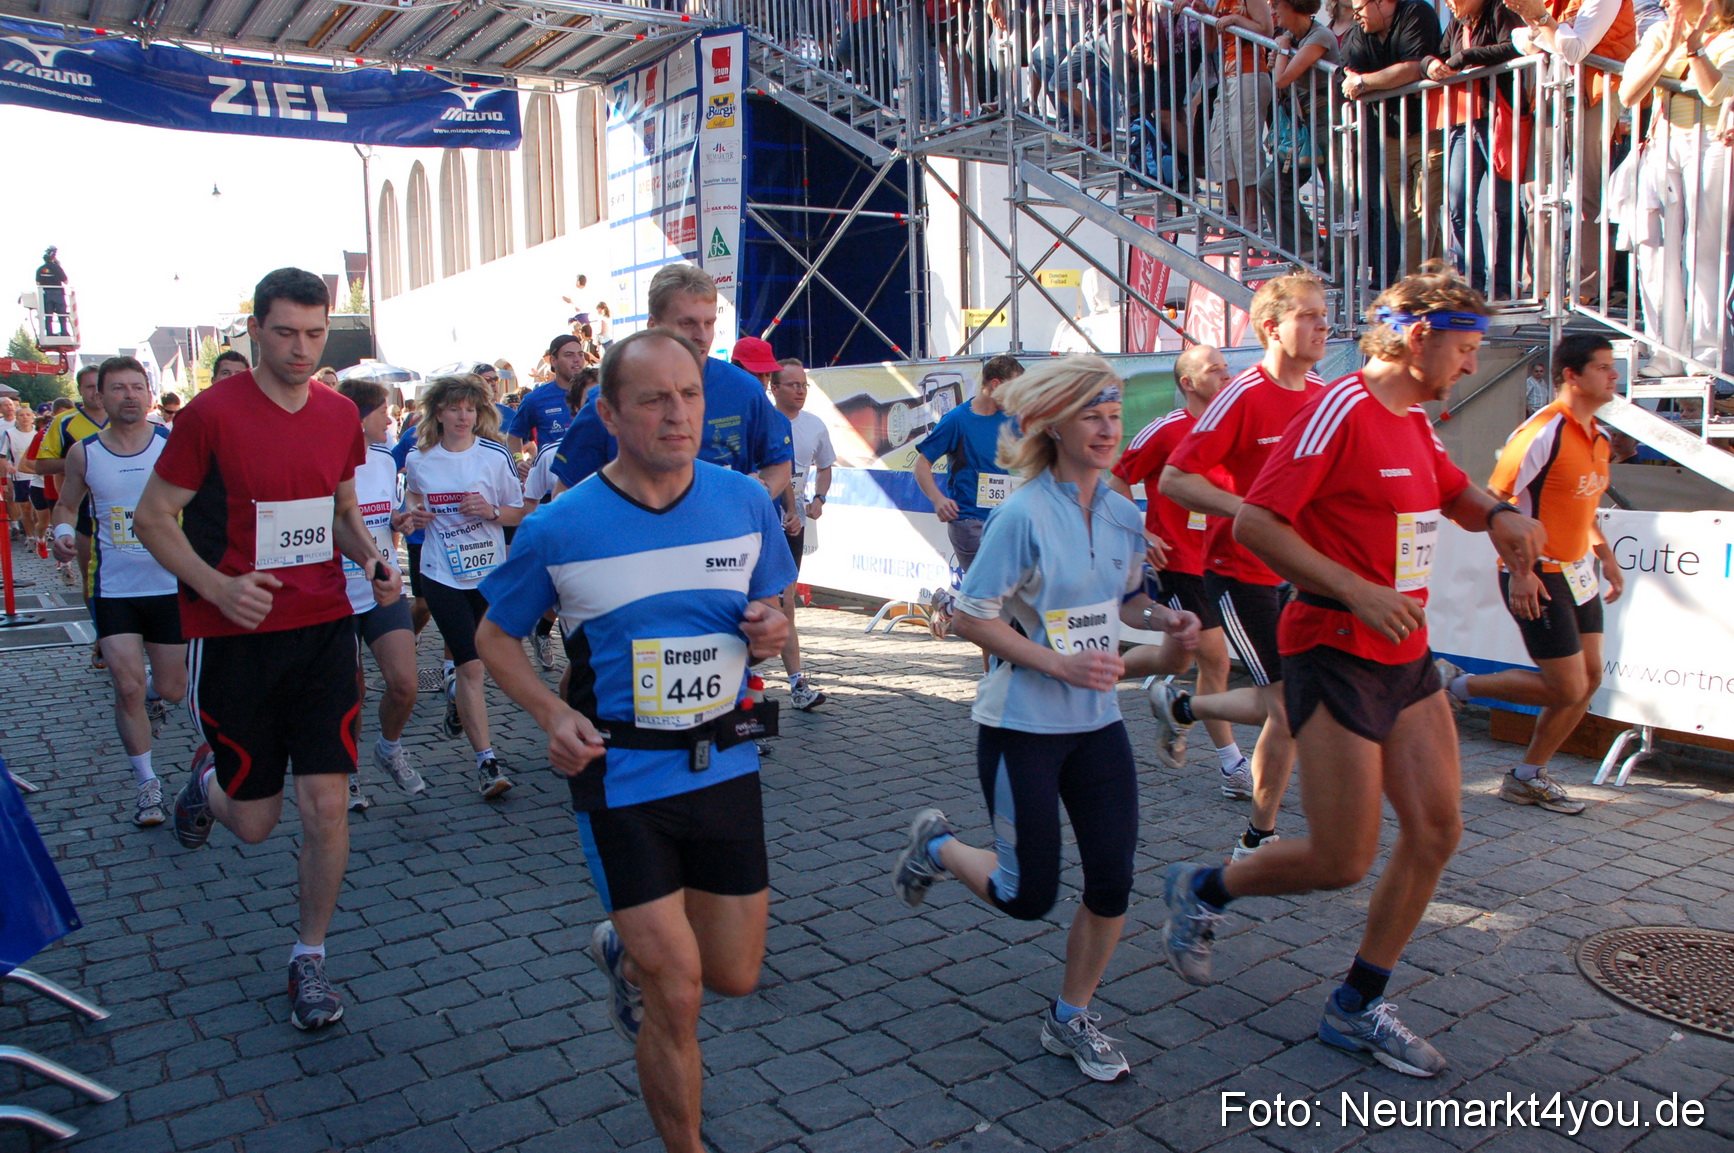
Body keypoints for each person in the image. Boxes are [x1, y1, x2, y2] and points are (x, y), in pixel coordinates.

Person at [1160, 265, 1546, 1079]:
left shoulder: (1416, 420)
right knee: (1341, 858)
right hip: (1332, 646)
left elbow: (1453, 492)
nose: (1474, 366)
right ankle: (1203, 885)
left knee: (1438, 829)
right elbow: (1261, 524)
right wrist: (1356, 589)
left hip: (1403, 653)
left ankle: (1358, 1003)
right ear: (1417, 336)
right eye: (1468, 348)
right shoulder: (1341, 407)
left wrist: (1504, 516)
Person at [474, 328, 793, 1153]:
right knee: (679, 989)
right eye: (653, 399)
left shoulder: (745, 502)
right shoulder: (559, 526)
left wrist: (770, 627)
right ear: (608, 413)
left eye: (688, 395)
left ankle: (621, 948)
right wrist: (552, 714)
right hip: (620, 777)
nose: (677, 414)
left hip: (726, 762)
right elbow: (495, 638)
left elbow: (777, 605)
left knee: (734, 975)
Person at [891, 355, 1201, 1084]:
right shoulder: (1022, 514)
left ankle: (1069, 1016)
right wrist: (1055, 662)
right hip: (1019, 726)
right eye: (1090, 412)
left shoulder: (1124, 513)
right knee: (1026, 895)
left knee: (1113, 880)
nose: (1105, 426)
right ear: (1055, 422)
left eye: (1113, 411)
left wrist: (1168, 620)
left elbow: (1126, 603)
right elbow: (971, 616)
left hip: (1096, 726)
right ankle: (936, 846)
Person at [134, 267, 404, 1032]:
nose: (300, 348)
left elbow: (343, 510)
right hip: (234, 639)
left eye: (315, 334)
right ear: (254, 329)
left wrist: (372, 560)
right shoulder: (210, 415)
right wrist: (216, 589)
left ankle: (308, 957)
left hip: (322, 631)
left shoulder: (335, 413)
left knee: (324, 804)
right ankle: (204, 791)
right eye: (284, 332)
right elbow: (156, 517)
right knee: (253, 824)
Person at [1155, 274, 1329, 860]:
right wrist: (1250, 512)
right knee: (1285, 703)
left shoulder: (1327, 397)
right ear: (1270, 327)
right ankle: (1257, 835)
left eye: (1323, 314)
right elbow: (1176, 479)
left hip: (1308, 575)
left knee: (1295, 704)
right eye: (1307, 315)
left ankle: (1184, 707)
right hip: (1242, 572)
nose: (1322, 325)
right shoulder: (1242, 396)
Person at [1437, 333, 1622, 813]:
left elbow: (1584, 502)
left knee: (1590, 677)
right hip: (1536, 573)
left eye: (1612, 366)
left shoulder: (1598, 437)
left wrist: (1604, 555)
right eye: (1603, 367)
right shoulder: (1541, 432)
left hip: (1577, 572)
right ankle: (1454, 684)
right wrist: (1521, 571)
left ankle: (1527, 775)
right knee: (1566, 686)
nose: (1614, 375)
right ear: (1572, 375)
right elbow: (1499, 504)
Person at [1109, 345, 1253, 798]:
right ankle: (1233, 767)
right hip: (1182, 561)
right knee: (1216, 659)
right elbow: (1119, 476)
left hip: (1226, 557)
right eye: (1215, 370)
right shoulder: (1167, 429)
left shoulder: (1235, 426)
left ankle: (1083, 675)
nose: (1226, 376)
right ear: (1188, 382)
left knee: (1177, 659)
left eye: (1228, 369)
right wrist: (1139, 533)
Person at [49, 357, 186, 828]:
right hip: (114, 590)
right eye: (118, 388)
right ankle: (148, 785)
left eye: (137, 387)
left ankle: (153, 694)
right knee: (125, 686)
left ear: (149, 394)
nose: (129, 396)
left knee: (170, 688)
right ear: (99, 396)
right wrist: (62, 533)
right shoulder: (85, 453)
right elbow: (66, 503)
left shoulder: (172, 445)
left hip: (169, 585)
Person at [549, 264, 794, 505]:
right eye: (687, 323)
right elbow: (563, 495)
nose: (701, 335)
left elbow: (780, 463)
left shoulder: (744, 389)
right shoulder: (610, 401)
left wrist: (760, 493)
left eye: (709, 323)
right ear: (653, 326)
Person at [402, 374, 526, 798]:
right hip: (441, 573)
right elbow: (411, 506)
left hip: (489, 573)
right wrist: (411, 519)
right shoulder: (421, 459)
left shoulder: (494, 455)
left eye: (470, 409)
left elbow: (518, 512)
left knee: (485, 661)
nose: (463, 416)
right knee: (472, 664)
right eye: (455, 408)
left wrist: (490, 511)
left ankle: (456, 695)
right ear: (438, 412)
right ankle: (487, 763)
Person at [1617, 0, 1733, 376]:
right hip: (1664, 140)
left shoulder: (1730, 34)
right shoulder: (1658, 32)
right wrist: (1668, 49)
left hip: (1713, 143)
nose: (1663, 1)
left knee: (1705, 248)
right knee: (1655, 249)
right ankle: (1665, 352)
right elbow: (1629, 94)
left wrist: (1695, 49)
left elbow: (1715, 93)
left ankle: (1705, 357)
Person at [334, 378, 427, 811]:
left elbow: (382, 513)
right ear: (356, 416)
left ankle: (389, 749)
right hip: (335, 595)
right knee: (349, 691)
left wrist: (399, 519)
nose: (390, 418)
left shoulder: (383, 460)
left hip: (382, 590)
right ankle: (348, 773)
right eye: (382, 411)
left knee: (405, 685)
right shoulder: (323, 460)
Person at [1507, 0, 1638, 300]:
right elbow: (1522, 42)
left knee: (1588, 193)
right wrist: (1544, 29)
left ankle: (1586, 287)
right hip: (1553, 90)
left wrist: (1541, 21)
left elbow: (1575, 50)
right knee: (1536, 189)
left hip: (1594, 93)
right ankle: (1539, 286)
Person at [915, 354, 1025, 635]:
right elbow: (922, 464)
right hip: (969, 520)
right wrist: (938, 499)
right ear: (995, 384)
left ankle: (950, 605)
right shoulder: (957, 420)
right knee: (992, 599)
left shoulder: (1012, 420)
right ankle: (994, 672)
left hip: (1004, 520)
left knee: (996, 602)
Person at [1424, 0, 1525, 299]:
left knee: (1504, 206)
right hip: (1461, 120)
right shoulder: (1458, 21)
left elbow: (1514, 46)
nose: (1450, 4)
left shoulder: (1499, 9)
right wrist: (1429, 64)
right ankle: (1470, 282)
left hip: (1497, 116)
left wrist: (1465, 58)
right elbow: (1440, 56)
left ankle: (1505, 283)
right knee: (1457, 202)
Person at [1340, 0, 1445, 286]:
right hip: (1390, 134)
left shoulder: (1416, 13)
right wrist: (1372, 80)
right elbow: (1348, 76)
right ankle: (1434, 286)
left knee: (1422, 213)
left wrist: (1365, 82)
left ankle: (1411, 287)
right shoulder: (1360, 31)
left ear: (1384, 3)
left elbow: (1412, 69)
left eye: (1360, 6)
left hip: (1429, 129)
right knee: (1406, 217)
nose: (1356, 14)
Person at [769, 358, 836, 711]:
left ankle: (797, 684)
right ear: (774, 387)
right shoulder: (762, 422)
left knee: (785, 605)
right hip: (759, 522)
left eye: (804, 385)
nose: (800, 391)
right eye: (793, 385)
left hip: (792, 524)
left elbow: (824, 468)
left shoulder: (814, 426)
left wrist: (819, 499)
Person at [1258, 0, 1342, 266]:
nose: (1273, 11)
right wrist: (1281, 51)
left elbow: (1282, 79)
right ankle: (1308, 251)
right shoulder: (1293, 36)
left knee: (1334, 194)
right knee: (1270, 185)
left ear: (1294, 7)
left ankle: (1333, 264)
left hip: (1327, 120)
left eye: (1277, 6)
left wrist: (1281, 51)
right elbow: (1280, 77)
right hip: (1303, 123)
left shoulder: (1320, 37)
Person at [1204, 0, 1276, 225]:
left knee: (1245, 147)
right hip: (1228, 77)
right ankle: (1243, 215)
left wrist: (1235, 19)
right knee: (1220, 151)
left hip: (1250, 73)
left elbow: (1267, 29)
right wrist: (1204, 15)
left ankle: (1252, 218)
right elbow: (1210, 45)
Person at [507, 335, 587, 470]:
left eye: (580, 354)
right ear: (553, 361)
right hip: (552, 483)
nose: (576, 360)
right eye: (568, 355)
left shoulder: (598, 394)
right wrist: (518, 461)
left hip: (591, 479)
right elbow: (514, 435)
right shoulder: (536, 399)